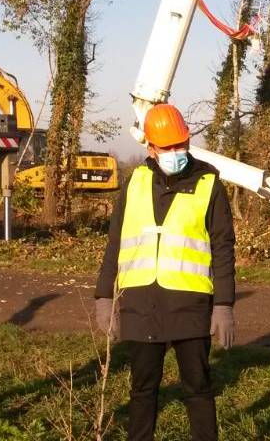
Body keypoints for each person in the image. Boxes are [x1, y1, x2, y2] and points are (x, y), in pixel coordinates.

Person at [94, 103, 236, 441]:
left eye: (181, 144)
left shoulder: (209, 184)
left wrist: (224, 305)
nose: (176, 152)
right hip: (141, 305)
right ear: (151, 148)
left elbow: (223, 248)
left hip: (190, 306)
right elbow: (115, 242)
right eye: (167, 146)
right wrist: (103, 295)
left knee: (198, 389)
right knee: (142, 391)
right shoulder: (134, 184)